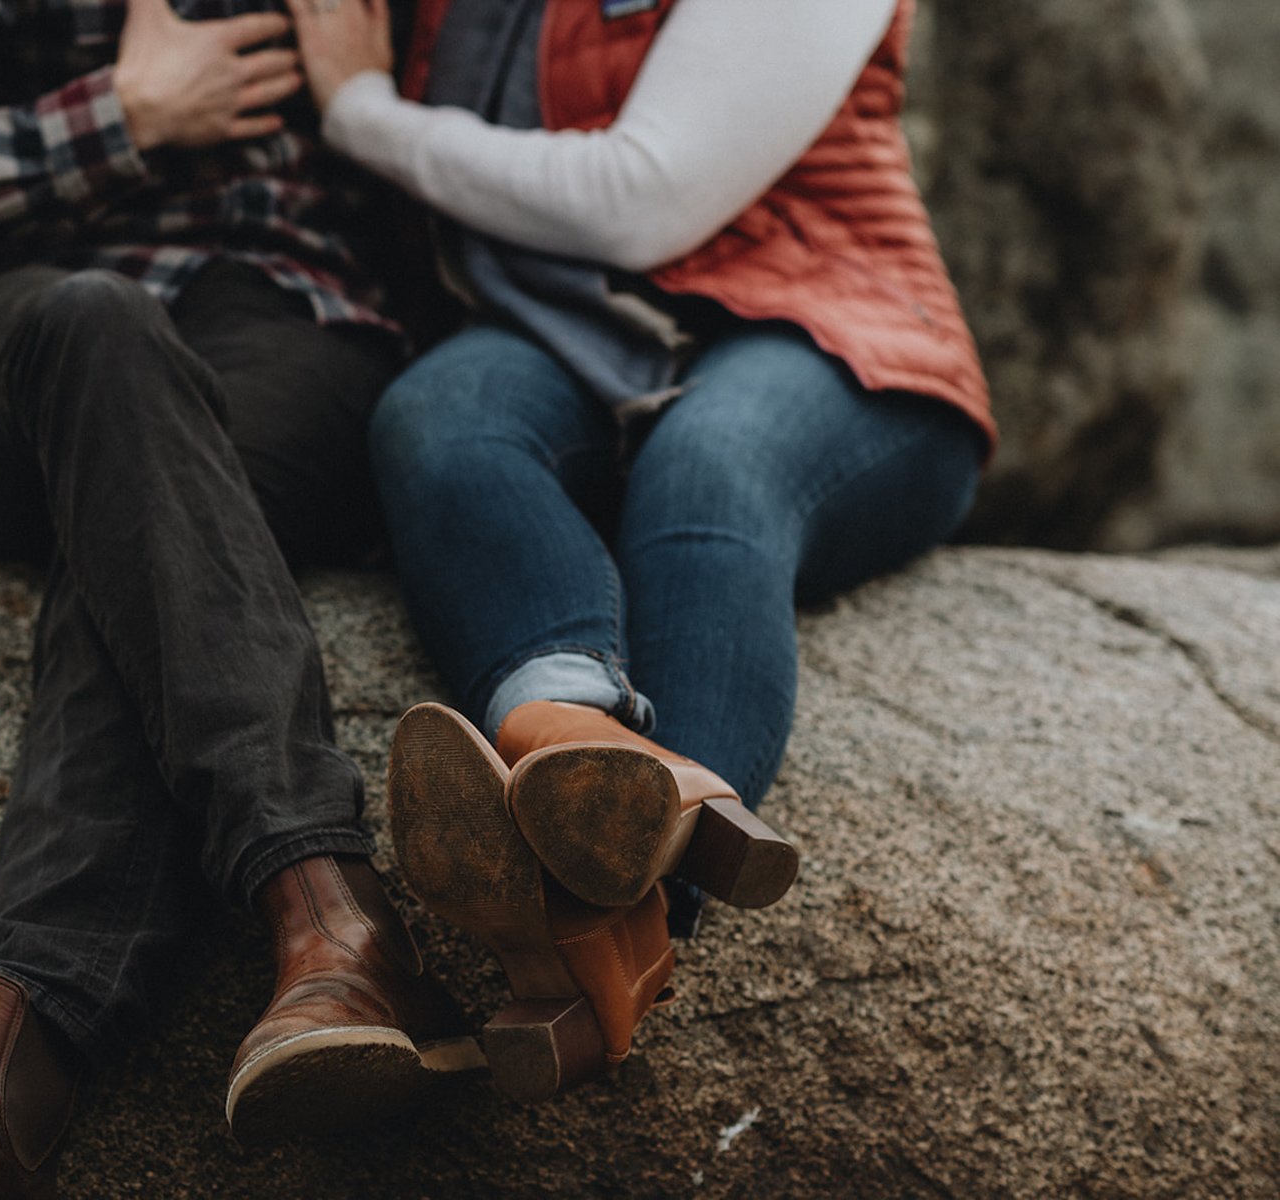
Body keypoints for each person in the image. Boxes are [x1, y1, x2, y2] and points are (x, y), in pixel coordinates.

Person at [0, 0, 489, 1194]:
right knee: (99, 323)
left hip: (293, 331)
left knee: (151, 522)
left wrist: (370, 108)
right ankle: (334, 915)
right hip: (22, 342)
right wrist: (117, 118)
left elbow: (518, 178)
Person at [285, 0, 994, 1100]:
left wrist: (363, 112)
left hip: (831, 338)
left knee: (708, 469)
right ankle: (570, 735)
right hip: (558, 343)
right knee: (433, 419)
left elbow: (643, 199)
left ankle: (621, 910)